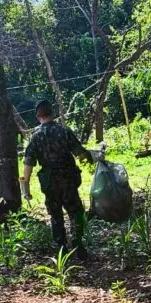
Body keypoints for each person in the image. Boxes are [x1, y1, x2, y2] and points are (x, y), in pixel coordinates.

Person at [21, 99, 98, 259]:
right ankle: (78, 244)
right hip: (68, 178)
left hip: (49, 182)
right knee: (75, 212)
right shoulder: (64, 131)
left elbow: (28, 163)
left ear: (38, 117)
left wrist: (25, 188)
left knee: (55, 215)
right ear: (52, 113)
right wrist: (94, 159)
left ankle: (61, 249)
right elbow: (80, 154)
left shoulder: (35, 137)